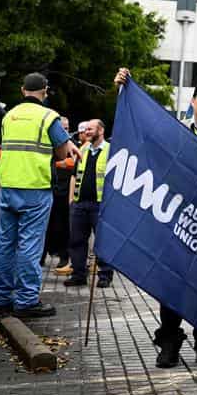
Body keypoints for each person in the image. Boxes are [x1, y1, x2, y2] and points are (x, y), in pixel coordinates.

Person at [0, 73, 78, 318]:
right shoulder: (48, 116)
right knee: (30, 245)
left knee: (5, 244)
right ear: (45, 90)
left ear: (22, 90)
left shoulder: (9, 116)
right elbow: (63, 154)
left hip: (8, 185)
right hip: (35, 188)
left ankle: (0, 300)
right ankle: (26, 301)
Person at [63, 119, 112, 288]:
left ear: (101, 130)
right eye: (86, 129)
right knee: (76, 241)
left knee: (103, 242)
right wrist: (71, 201)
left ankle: (105, 275)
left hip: (100, 205)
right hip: (79, 204)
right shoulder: (82, 149)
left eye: (91, 129)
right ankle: (78, 274)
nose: (87, 131)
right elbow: (74, 175)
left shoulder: (110, 151)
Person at [45, 117, 75, 270]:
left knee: (64, 226)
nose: (65, 131)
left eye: (67, 128)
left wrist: (58, 164)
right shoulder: (48, 144)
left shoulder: (70, 145)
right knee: (46, 225)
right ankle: (41, 256)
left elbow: (73, 162)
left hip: (64, 192)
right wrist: (58, 164)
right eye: (62, 128)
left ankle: (64, 257)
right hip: (48, 189)